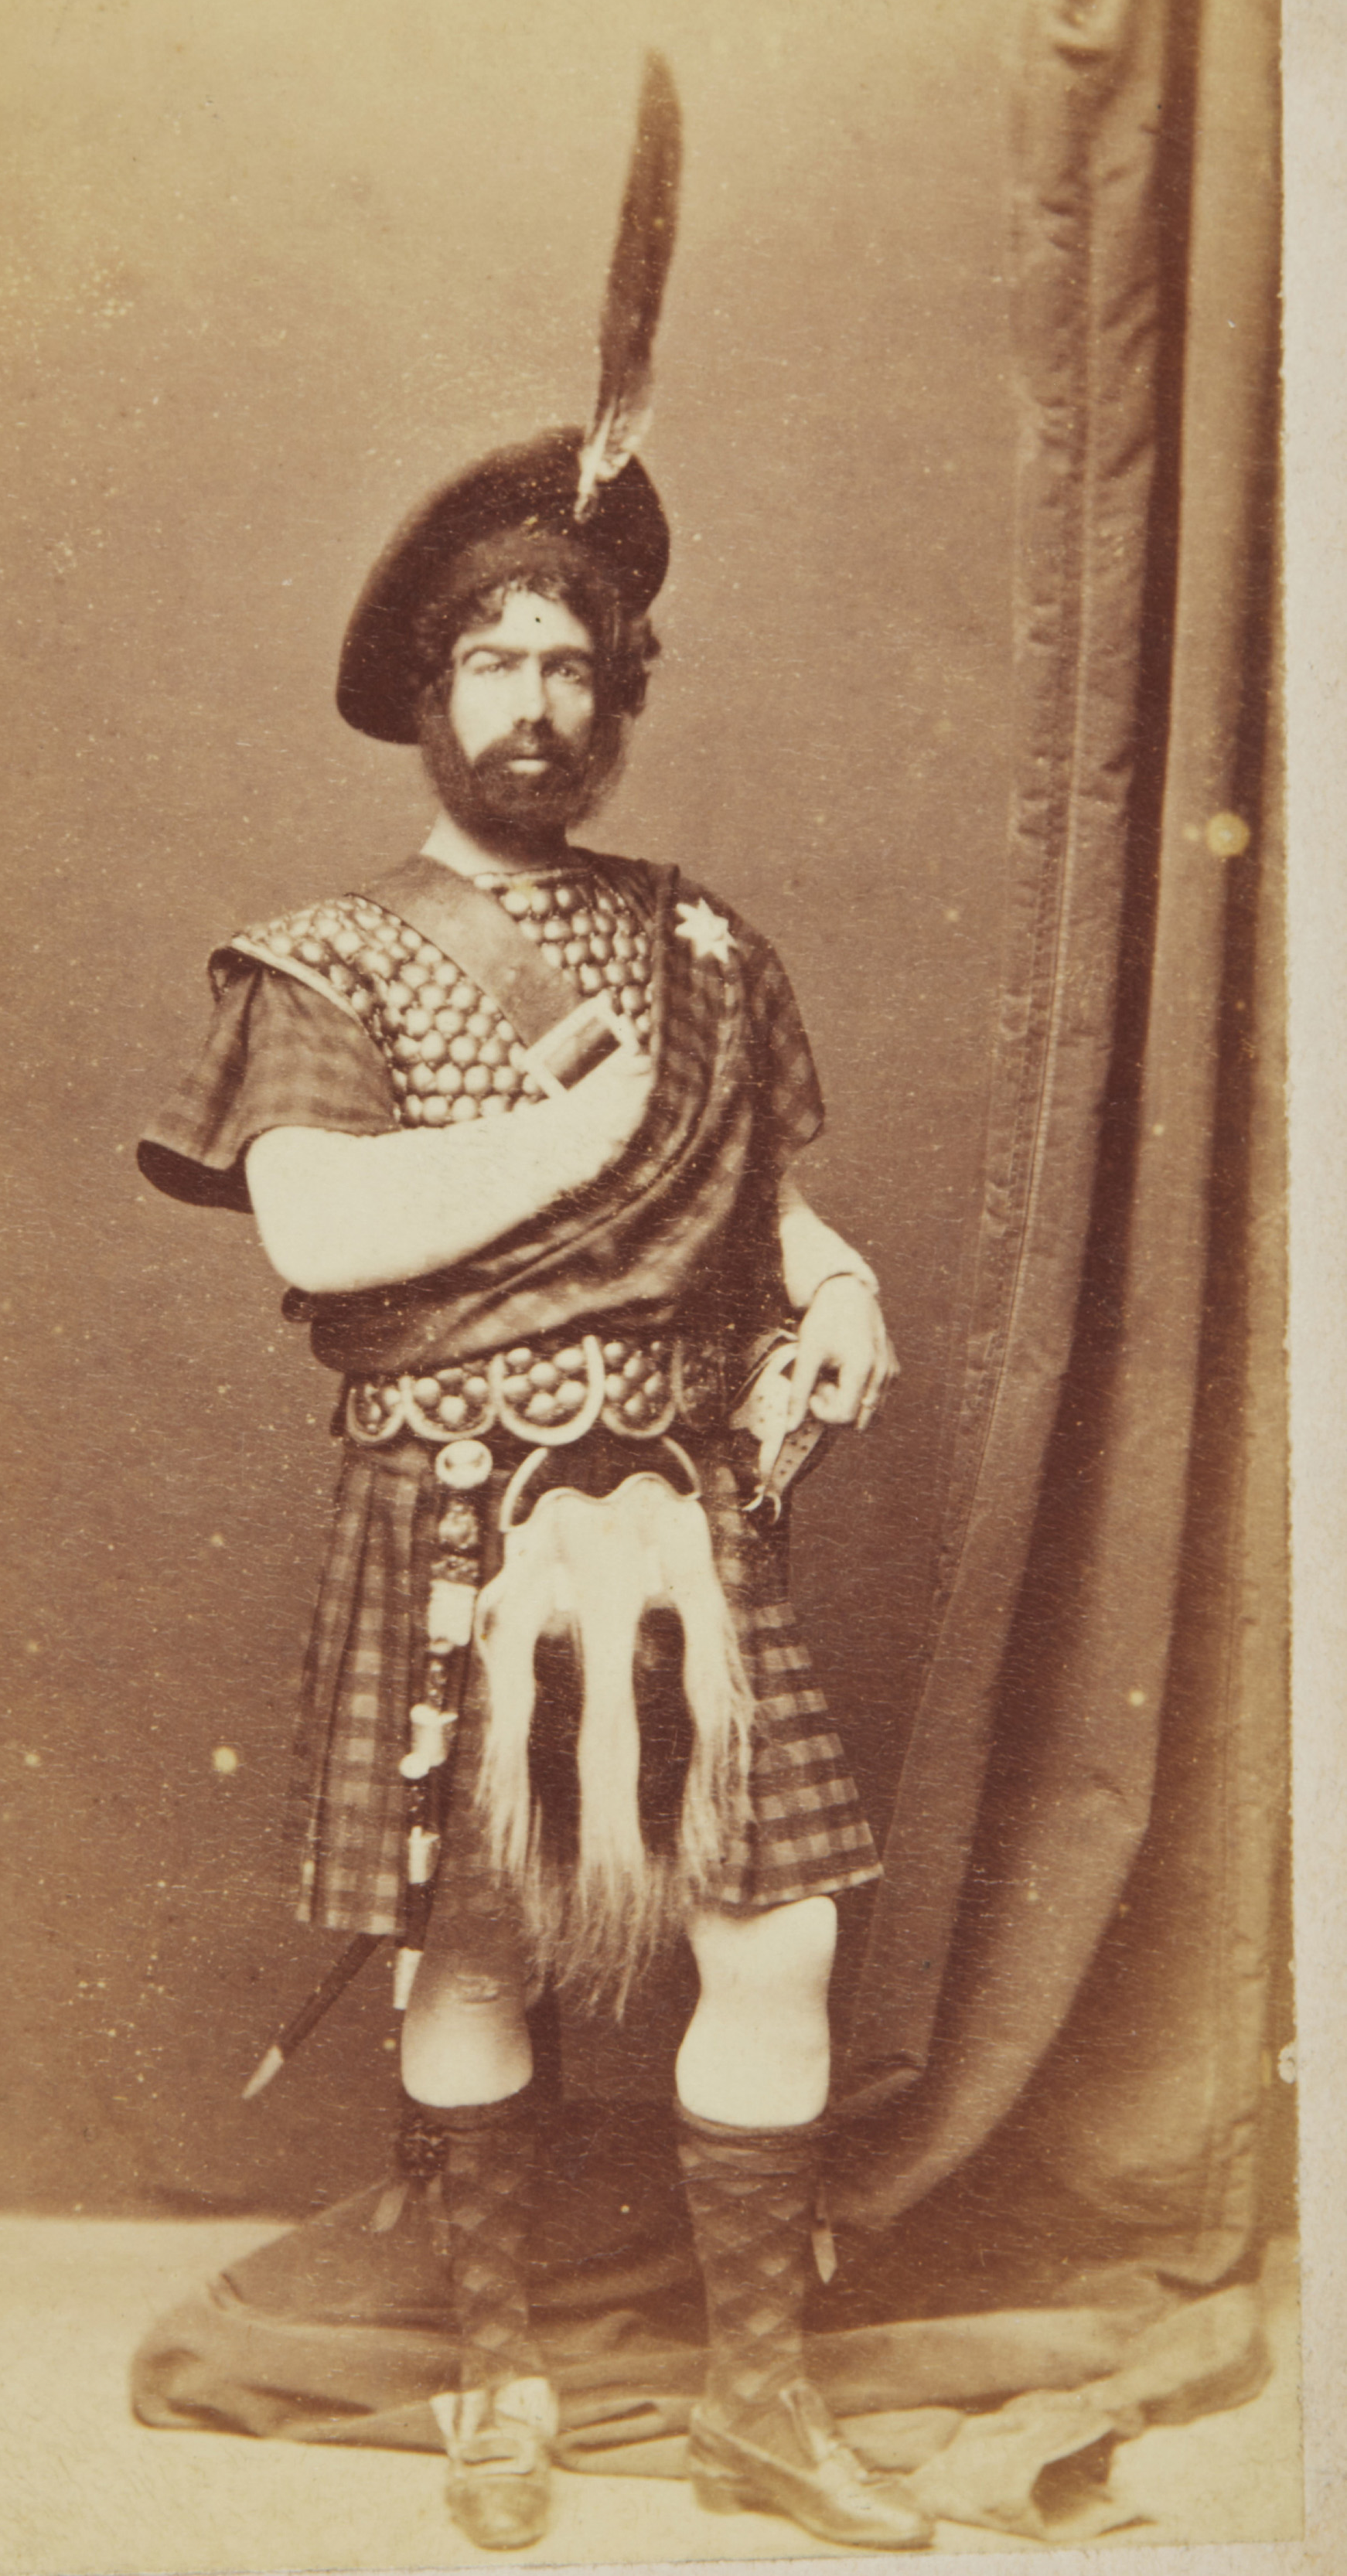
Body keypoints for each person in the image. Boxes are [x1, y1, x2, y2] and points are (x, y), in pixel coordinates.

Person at [138, 428, 929, 2550]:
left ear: (618, 695)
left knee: (769, 1944)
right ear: (425, 690)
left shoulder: (704, 951)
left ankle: (758, 2403)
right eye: (492, 659)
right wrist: (569, 1143)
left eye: (573, 663)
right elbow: (315, 1227)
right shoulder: (323, 960)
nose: (534, 702)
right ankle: (502, 2374)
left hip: (681, 1507)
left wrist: (834, 1283)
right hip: (460, 1508)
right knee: (473, 1952)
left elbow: (767, 1201)